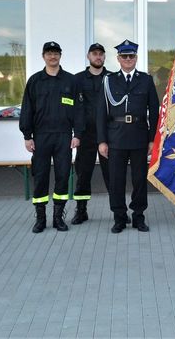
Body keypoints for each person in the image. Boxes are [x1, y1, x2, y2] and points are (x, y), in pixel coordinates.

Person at [19, 41, 83, 233]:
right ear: (43, 56)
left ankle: (58, 218)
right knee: (40, 177)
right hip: (40, 137)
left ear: (60, 56)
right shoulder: (35, 81)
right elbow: (27, 109)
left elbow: (79, 111)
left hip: (64, 136)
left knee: (63, 176)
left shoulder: (70, 81)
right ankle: (40, 218)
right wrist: (27, 136)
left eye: (56, 53)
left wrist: (77, 134)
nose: (52, 56)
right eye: (49, 53)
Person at [96, 39, 159, 233]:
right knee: (116, 180)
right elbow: (100, 112)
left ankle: (138, 216)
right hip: (116, 136)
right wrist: (102, 141)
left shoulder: (146, 80)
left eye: (131, 56)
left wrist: (151, 139)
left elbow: (154, 111)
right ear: (118, 59)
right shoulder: (109, 80)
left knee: (139, 179)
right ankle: (119, 217)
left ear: (136, 58)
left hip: (139, 136)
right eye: (124, 56)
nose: (128, 59)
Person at [72, 43, 110, 225]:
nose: (98, 57)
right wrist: (76, 133)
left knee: (112, 173)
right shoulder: (77, 80)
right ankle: (81, 210)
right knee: (83, 173)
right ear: (88, 56)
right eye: (94, 54)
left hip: (108, 135)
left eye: (101, 54)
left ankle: (118, 210)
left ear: (104, 57)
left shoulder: (112, 78)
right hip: (86, 134)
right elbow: (72, 108)